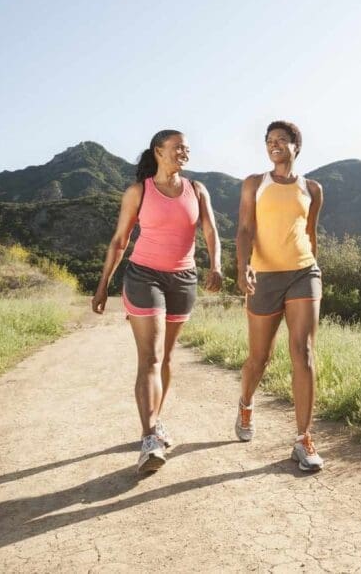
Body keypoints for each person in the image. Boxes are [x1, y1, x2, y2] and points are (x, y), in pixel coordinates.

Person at [92, 129, 222, 474]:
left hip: (183, 278)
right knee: (149, 356)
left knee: (165, 357)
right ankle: (149, 437)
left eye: (187, 147)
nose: (185, 151)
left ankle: (155, 419)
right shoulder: (139, 192)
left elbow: (210, 230)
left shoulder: (197, 189)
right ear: (158, 151)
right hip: (143, 275)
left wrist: (217, 265)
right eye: (178, 147)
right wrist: (103, 284)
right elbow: (120, 240)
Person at [235, 120, 325, 471]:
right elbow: (244, 229)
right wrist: (243, 267)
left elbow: (311, 233)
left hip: (304, 272)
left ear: (295, 146)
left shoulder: (312, 188)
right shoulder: (254, 184)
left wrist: (315, 268)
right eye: (269, 141)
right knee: (259, 358)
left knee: (302, 351)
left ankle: (303, 439)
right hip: (264, 276)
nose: (274, 145)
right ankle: (245, 402)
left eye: (281, 141)